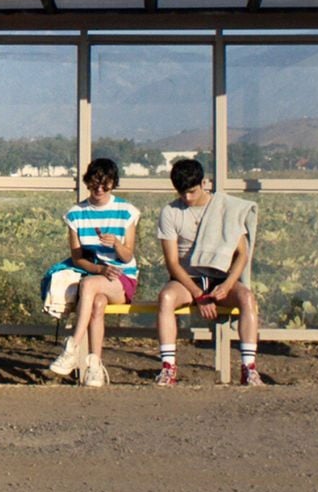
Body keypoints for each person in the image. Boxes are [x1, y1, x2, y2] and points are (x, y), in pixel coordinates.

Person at [154, 158, 262, 386]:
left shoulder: (225, 209)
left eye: (192, 192)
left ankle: (249, 368)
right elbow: (172, 262)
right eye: (182, 193)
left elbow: (242, 253)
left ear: (204, 183)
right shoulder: (170, 212)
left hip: (220, 275)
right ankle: (168, 367)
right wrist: (198, 295)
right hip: (188, 278)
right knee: (166, 297)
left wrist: (228, 283)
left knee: (247, 298)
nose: (188, 198)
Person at [47, 157, 139, 386]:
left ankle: (72, 346)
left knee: (88, 285)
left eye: (105, 184)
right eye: (95, 183)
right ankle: (94, 365)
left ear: (113, 184)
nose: (99, 189)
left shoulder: (126, 211)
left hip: (122, 277)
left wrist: (116, 244)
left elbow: (128, 256)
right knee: (97, 302)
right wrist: (100, 268)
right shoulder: (75, 215)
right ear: (88, 182)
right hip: (97, 275)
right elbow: (78, 258)